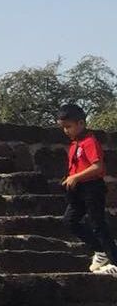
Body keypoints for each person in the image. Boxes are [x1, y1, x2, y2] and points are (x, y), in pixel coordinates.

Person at [58, 102, 117, 275]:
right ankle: (99, 251)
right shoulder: (75, 144)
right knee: (70, 221)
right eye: (63, 127)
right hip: (78, 190)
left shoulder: (89, 141)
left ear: (81, 124)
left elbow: (98, 167)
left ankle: (114, 260)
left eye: (69, 126)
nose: (66, 131)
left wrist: (76, 176)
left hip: (92, 188)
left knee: (98, 224)